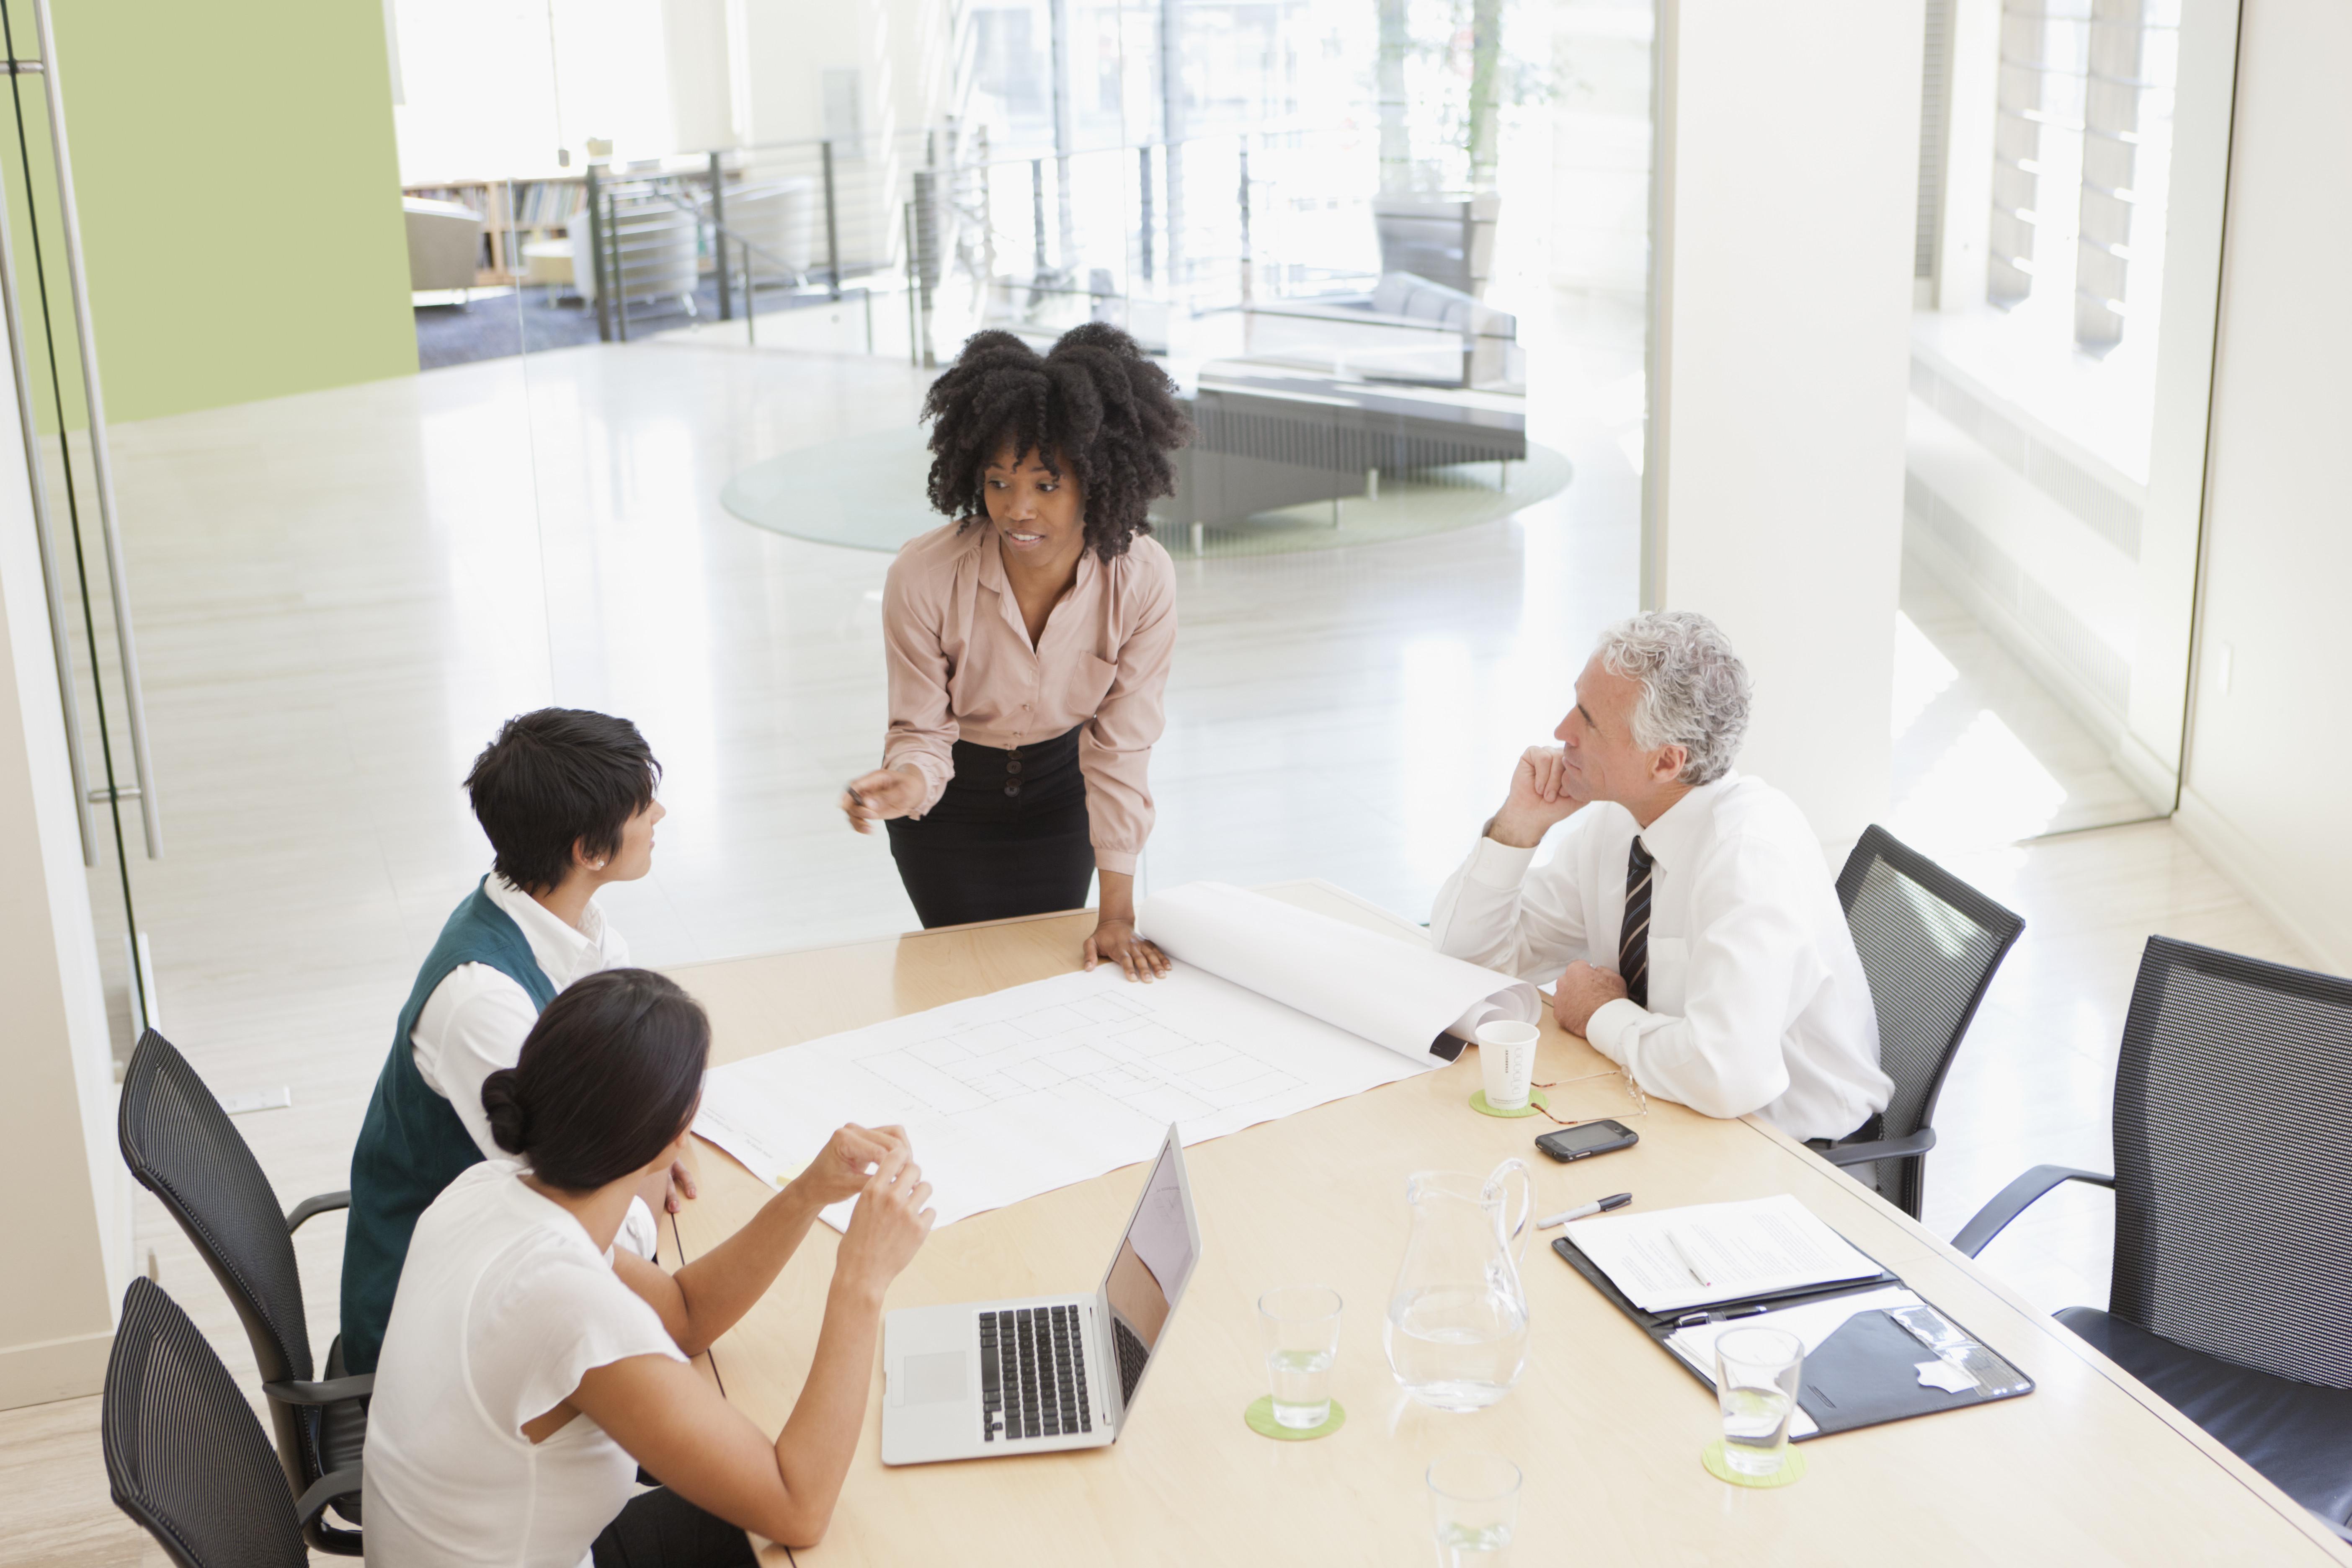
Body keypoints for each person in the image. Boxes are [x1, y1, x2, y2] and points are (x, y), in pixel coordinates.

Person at [363, 968, 933, 1565]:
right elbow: (800, 1508)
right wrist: (861, 1279)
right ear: (674, 1136)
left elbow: (683, 1316)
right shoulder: (567, 1303)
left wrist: (809, 1191)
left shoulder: (485, 1190)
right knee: (849, 1530)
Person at [1429, 612, 1890, 1143]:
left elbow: (1727, 1075)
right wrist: (1518, 826)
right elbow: (1468, 965)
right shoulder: (1621, 818)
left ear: (1667, 762)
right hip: (1670, 1109)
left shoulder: (1748, 858)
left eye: (1589, 720)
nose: (1561, 733)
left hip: (1795, 1156)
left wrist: (1600, 1013)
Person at [839, 324, 1191, 980]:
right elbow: (922, 729)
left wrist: (1117, 916)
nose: (1017, 510)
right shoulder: (923, 574)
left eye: (1047, 486)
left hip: (1064, 792)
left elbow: (1121, 749)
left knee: (1049, 981)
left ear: (1098, 479)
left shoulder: (1142, 577)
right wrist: (908, 783)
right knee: (963, 982)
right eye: (1000, 483)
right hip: (946, 814)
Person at [341, 708, 687, 1375]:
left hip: (513, 1271)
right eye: (644, 806)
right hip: (442, 1336)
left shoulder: (565, 919)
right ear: (588, 851)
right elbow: (573, 1213)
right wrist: (651, 1158)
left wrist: (656, 1142)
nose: (661, 816)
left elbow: (640, 1066)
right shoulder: (481, 1001)